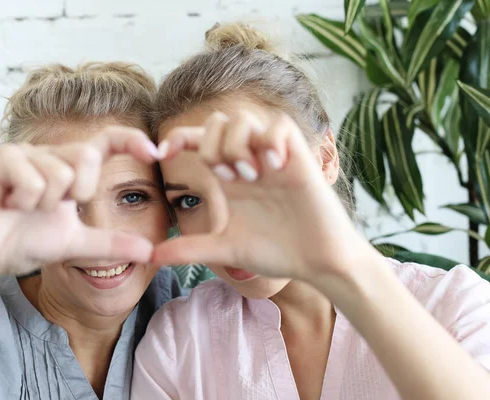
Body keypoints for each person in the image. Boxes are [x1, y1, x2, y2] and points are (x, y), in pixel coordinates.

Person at [132, 23, 490, 400]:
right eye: (189, 201)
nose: (222, 230)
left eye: (250, 177)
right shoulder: (178, 345)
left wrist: (346, 271)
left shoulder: (457, 306)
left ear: (325, 157)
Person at [0, 62, 183, 399]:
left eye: (133, 197)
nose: (100, 239)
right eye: (63, 199)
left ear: (170, 207)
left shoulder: (188, 314)